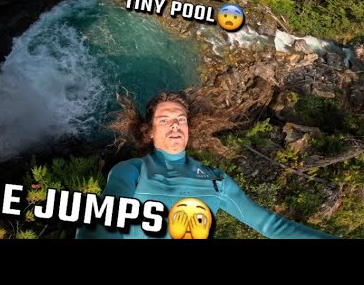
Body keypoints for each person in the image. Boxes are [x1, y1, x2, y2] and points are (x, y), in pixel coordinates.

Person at [76, 91, 338, 239]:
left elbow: (272, 226)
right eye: (165, 120)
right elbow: (103, 221)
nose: (175, 125)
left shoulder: (216, 180)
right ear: (149, 132)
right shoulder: (131, 171)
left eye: (181, 119)